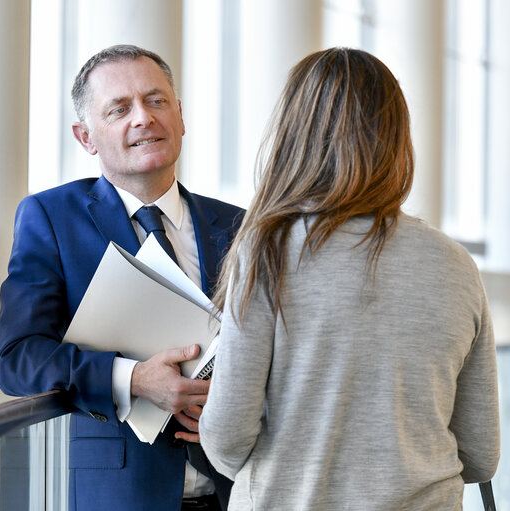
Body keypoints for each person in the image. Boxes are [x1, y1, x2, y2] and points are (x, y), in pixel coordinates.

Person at [199, 47, 500, 510]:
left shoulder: (268, 252)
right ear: (397, 136)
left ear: (295, 136)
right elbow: (480, 454)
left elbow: (226, 438)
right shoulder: (455, 264)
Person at [0, 44, 242, 511]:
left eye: (156, 100)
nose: (144, 118)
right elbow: (17, 359)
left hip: (237, 492)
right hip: (122, 496)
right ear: (86, 137)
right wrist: (131, 379)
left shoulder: (240, 225)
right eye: (119, 109)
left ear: (180, 116)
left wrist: (238, 400)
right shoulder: (50, 217)